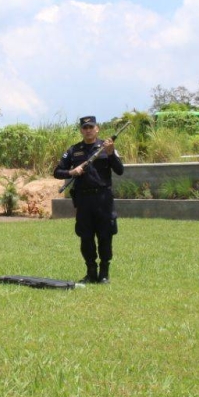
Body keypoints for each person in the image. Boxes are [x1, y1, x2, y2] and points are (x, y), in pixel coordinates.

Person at [54, 115, 124, 283]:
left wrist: (111, 154)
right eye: (85, 128)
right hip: (83, 200)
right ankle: (91, 272)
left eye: (91, 127)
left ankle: (104, 273)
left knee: (105, 235)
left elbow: (120, 170)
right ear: (81, 130)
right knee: (86, 236)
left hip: (103, 198)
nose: (88, 130)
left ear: (97, 128)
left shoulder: (107, 147)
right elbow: (57, 171)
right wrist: (72, 172)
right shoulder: (74, 150)